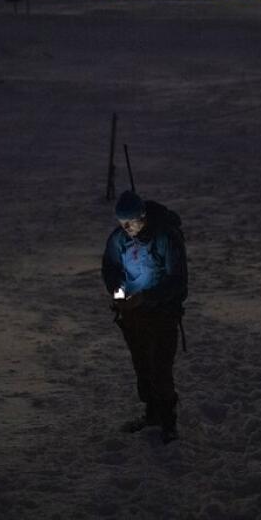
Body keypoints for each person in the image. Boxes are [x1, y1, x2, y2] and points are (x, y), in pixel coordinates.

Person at [101, 190, 187, 444]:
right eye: (122, 223)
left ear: (143, 217)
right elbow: (111, 268)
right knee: (142, 365)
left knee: (160, 366)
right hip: (132, 316)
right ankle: (151, 414)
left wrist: (148, 298)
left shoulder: (166, 238)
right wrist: (118, 294)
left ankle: (168, 421)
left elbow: (178, 281)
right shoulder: (119, 240)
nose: (127, 228)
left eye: (131, 222)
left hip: (162, 314)